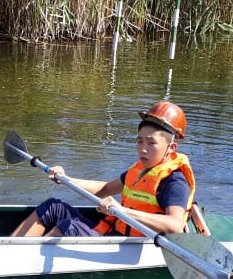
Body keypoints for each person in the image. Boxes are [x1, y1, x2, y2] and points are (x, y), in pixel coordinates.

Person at [11, 101, 195, 238]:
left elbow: (175, 226)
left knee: (70, 226)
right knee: (53, 207)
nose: (143, 149)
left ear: (171, 148)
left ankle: (21, 267)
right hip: (113, 232)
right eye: (140, 141)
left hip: (129, 246)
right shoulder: (140, 170)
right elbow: (106, 189)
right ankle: (11, 252)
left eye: (151, 143)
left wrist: (123, 211)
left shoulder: (174, 181)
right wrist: (66, 178)